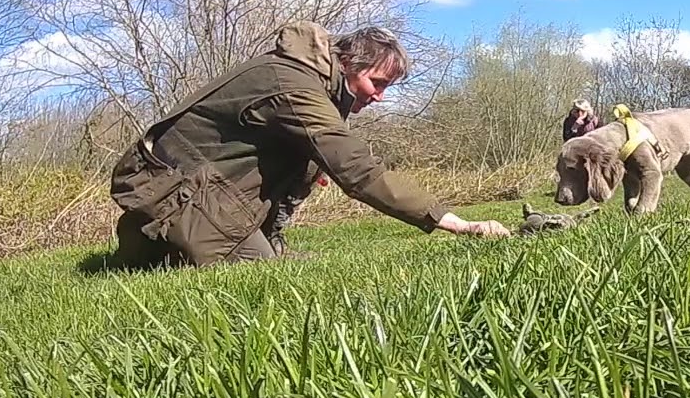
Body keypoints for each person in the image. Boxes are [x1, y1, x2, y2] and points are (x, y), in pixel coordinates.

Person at [108, 20, 510, 268]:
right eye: (378, 83)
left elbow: (290, 172)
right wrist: (455, 222)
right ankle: (157, 250)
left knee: (280, 261)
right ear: (350, 64)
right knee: (262, 280)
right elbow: (355, 169)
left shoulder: (316, 87)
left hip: (204, 197)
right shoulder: (294, 86)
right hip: (173, 199)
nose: (380, 96)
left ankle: (207, 247)